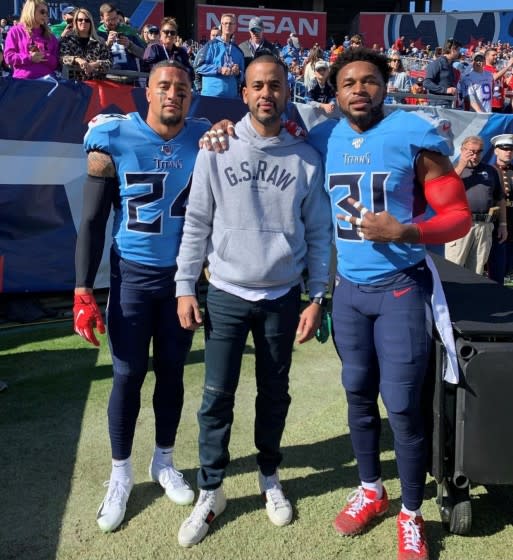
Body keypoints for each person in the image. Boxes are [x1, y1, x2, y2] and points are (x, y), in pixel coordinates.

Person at [306, 48, 471, 560]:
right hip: (350, 291)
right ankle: (373, 491)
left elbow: (459, 215)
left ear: (386, 85)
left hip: (401, 287)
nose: (359, 89)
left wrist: (407, 230)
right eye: (348, 82)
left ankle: (411, 513)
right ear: (334, 92)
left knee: (402, 406)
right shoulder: (320, 136)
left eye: (370, 80)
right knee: (357, 395)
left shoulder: (411, 135)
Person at [174, 53, 332, 548]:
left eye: (275, 86)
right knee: (216, 398)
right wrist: (184, 285)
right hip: (224, 292)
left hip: (283, 297)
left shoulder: (306, 157)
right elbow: (196, 221)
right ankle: (212, 489)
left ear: (288, 92)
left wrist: (317, 296)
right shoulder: (215, 149)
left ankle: (269, 476)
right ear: (243, 93)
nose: (266, 93)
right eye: (257, 86)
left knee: (274, 394)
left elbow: (320, 234)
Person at [72, 60, 210, 533]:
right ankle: (120, 473)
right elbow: (92, 221)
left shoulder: (204, 136)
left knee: (172, 373)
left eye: (183, 88)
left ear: (192, 96)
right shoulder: (113, 136)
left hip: (181, 281)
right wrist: (82, 288)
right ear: (147, 93)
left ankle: (164, 461)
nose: (174, 94)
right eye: (164, 86)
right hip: (131, 276)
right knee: (128, 376)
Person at [445, 135, 506, 275]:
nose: (475, 155)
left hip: (484, 226)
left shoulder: (491, 171)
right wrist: (461, 165)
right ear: (462, 150)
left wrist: (503, 224)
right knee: (453, 267)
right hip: (460, 225)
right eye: (471, 151)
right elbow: (446, 189)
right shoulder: (451, 170)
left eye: (479, 152)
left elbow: (500, 198)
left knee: (477, 271)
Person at [3, 0, 59, 80]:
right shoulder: (15, 31)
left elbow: (56, 62)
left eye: (47, 13)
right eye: (42, 12)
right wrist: (29, 58)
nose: (45, 15)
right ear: (31, 11)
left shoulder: (50, 36)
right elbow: (8, 57)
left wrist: (44, 56)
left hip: (48, 84)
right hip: (23, 83)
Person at [193, 12, 244, 98]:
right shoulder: (210, 45)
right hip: (211, 96)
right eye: (225, 23)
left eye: (231, 23)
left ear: (235, 27)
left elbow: (243, 76)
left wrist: (238, 72)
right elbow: (198, 66)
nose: (228, 26)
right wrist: (219, 69)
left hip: (231, 97)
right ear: (221, 26)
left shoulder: (238, 51)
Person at [59, 7, 111, 81]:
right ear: (75, 22)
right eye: (80, 20)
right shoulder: (68, 40)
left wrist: (95, 64)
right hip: (73, 85)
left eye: (87, 20)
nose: (83, 22)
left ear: (91, 23)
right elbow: (62, 58)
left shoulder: (99, 41)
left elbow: (109, 62)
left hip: (95, 85)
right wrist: (77, 59)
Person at [488, 133, 513, 283]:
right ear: (496, 151)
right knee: (497, 262)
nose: (508, 152)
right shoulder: (490, 170)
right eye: (504, 149)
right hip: (498, 223)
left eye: (511, 149)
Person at [97, 2, 145, 73]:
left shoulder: (128, 30)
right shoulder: (98, 33)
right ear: (102, 18)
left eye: (115, 18)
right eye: (109, 20)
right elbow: (94, 58)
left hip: (130, 77)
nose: (113, 22)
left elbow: (144, 55)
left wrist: (130, 45)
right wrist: (107, 44)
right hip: (109, 78)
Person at [423, 38, 461, 107]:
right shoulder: (437, 63)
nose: (459, 53)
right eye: (458, 50)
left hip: (448, 104)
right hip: (437, 105)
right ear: (452, 50)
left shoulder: (450, 66)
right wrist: (445, 90)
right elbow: (426, 83)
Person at [483, 47, 513, 113]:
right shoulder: (484, 68)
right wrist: (508, 66)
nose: (496, 56)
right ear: (486, 57)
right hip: (489, 104)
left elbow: (505, 84)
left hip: (499, 104)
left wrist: (512, 74)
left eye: (496, 55)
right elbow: (494, 78)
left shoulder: (497, 70)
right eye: (493, 55)